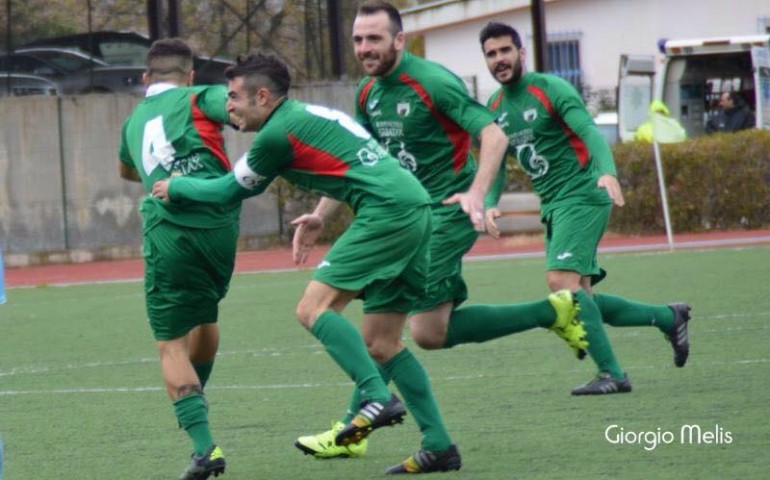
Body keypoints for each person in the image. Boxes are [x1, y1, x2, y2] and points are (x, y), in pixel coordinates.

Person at [294, 0, 588, 471]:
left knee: (379, 338)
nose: (364, 48)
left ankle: (361, 429)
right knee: (430, 332)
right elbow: (359, 161)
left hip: (441, 218)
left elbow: (493, 134)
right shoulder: (368, 92)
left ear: (399, 40)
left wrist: (475, 195)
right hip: (403, 219)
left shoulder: (431, 81)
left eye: (374, 38)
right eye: (357, 39)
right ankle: (549, 312)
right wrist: (320, 214)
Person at [151, 52, 461, 475]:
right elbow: (353, 164)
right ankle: (439, 445)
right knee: (382, 342)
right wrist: (320, 214)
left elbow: (227, 191)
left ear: (262, 95)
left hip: (387, 212)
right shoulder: (306, 116)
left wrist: (177, 187)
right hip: (413, 207)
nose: (229, 107)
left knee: (312, 309)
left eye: (235, 97)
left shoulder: (276, 133)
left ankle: (374, 396)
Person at [479, 21, 692, 396]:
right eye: (491, 54)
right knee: (583, 299)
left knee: (560, 283)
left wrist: (607, 172)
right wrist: (491, 202)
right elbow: (494, 158)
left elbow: (590, 132)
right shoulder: (494, 107)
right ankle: (668, 317)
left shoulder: (550, 89)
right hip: (555, 205)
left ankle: (613, 374)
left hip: (581, 193)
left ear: (521, 53)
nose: (499, 59)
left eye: (505, 51)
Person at [118, 38, 237, 480]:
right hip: (221, 228)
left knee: (170, 342)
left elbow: (128, 170)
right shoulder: (202, 97)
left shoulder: (132, 121)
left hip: (169, 232)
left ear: (146, 78)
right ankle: (195, 396)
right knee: (205, 314)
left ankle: (204, 446)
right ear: (189, 76)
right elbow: (240, 108)